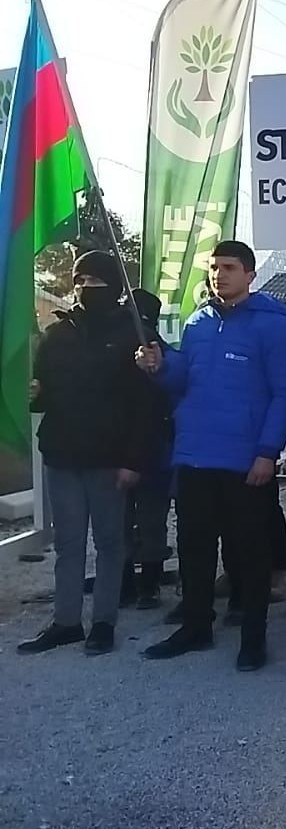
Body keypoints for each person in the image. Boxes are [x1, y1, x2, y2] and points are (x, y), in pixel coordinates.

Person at [138, 241, 286, 672]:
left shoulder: (274, 326)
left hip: (244, 459)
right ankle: (195, 626)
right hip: (194, 456)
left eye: (229, 267)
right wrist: (160, 366)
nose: (219, 275)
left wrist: (268, 452)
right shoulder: (199, 322)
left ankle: (253, 638)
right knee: (194, 549)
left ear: (250, 275)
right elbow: (185, 379)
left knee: (249, 554)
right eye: (214, 267)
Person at [18, 251, 156, 657]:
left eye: (95, 282)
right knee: (68, 542)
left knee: (111, 542)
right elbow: (42, 387)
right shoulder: (56, 333)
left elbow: (145, 406)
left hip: (110, 457)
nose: (85, 288)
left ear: (113, 286)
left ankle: (103, 623)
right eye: (79, 281)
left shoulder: (134, 331)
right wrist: (35, 395)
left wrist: (134, 461)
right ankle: (65, 622)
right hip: (62, 453)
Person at [124, 288, 174, 611]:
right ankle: (143, 582)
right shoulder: (156, 347)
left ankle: (140, 581)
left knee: (136, 518)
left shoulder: (153, 349)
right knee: (143, 518)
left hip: (148, 448)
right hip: (147, 448)